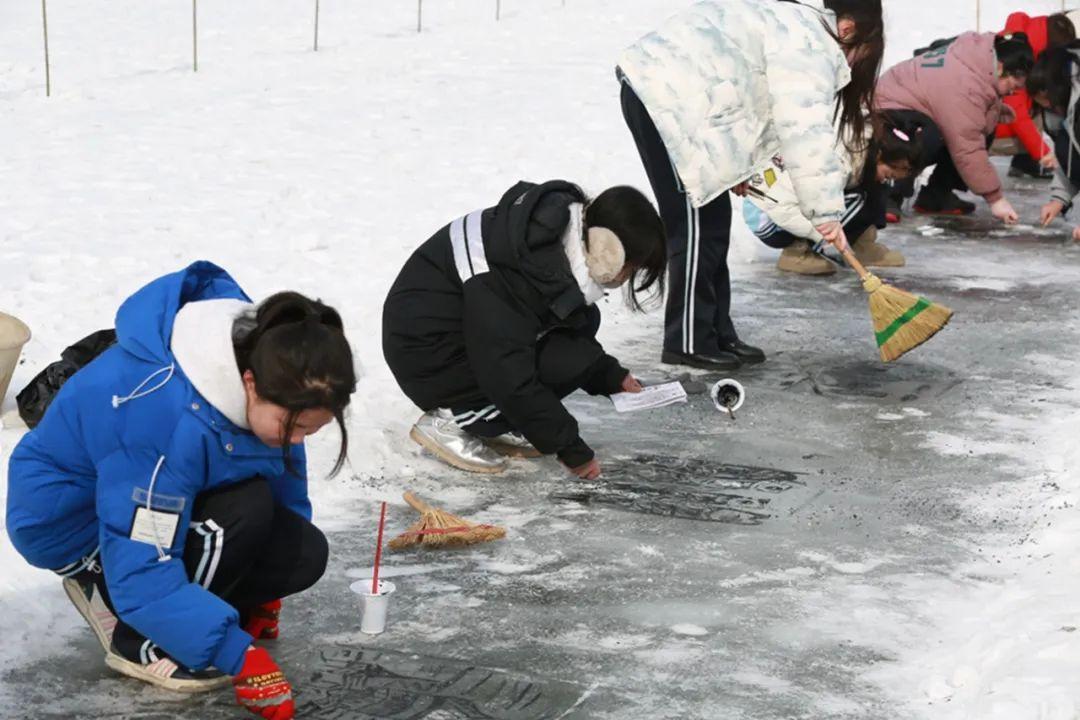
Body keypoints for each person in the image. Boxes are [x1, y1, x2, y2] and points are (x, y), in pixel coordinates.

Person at [6, 261, 356, 720]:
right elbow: (144, 561)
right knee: (240, 514)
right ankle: (136, 638)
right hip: (69, 517)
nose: (297, 440)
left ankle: (185, 616)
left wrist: (266, 590)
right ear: (250, 384)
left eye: (310, 431)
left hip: (160, 496)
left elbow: (282, 482)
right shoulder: (161, 413)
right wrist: (240, 656)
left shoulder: (273, 380)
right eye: (294, 427)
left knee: (301, 550)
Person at [617, 0, 885, 370]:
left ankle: (714, 330)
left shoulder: (795, 27)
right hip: (664, 96)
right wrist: (825, 212)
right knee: (694, 223)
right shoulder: (809, 45)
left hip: (689, 100)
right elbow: (803, 132)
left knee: (713, 222)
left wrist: (738, 167)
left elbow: (746, 95)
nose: (856, 64)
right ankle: (687, 340)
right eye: (863, 53)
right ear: (849, 29)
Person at [382, 181, 665, 480]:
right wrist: (571, 449)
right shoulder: (511, 273)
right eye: (630, 267)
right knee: (561, 362)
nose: (626, 278)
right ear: (608, 249)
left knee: (580, 332)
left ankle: (489, 421)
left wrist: (611, 376)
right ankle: (452, 420)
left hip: (453, 340)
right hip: (426, 356)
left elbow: (560, 331)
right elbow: (506, 373)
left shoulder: (545, 243)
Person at [877, 32, 1034, 223]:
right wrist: (996, 199)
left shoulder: (975, 62)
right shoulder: (966, 83)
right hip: (888, 113)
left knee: (981, 129)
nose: (1013, 92)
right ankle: (889, 194)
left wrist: (993, 110)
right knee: (932, 136)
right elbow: (967, 144)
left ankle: (936, 195)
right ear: (1001, 68)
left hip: (914, 107)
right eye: (1013, 85)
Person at [743, 110, 922, 275]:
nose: (889, 178)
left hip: (786, 203)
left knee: (872, 186)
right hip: (766, 214)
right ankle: (797, 252)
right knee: (857, 199)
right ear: (879, 154)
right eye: (891, 171)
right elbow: (782, 207)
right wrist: (822, 235)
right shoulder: (836, 165)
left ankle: (861, 245)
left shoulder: (860, 149)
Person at [995, 12, 1075, 179]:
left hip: (993, 118)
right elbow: (1017, 115)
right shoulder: (1018, 61)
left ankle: (1024, 162)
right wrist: (1044, 155)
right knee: (1034, 109)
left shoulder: (1023, 40)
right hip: (985, 130)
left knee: (1039, 101)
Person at [1026, 42, 1080, 242]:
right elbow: (1070, 155)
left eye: (1046, 101)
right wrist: (1059, 199)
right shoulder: (1064, 110)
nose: (1046, 107)